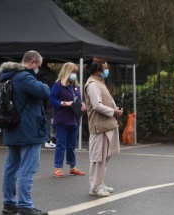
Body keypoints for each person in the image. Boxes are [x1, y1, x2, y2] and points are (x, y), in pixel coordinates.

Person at [1, 51, 50, 215]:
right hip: (28, 130)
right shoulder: (24, 77)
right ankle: (25, 205)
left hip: (12, 127)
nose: (39, 69)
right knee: (27, 168)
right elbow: (45, 92)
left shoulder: (8, 76)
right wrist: (45, 85)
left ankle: (9, 203)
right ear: (32, 62)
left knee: (11, 167)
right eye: (39, 65)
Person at [84, 56, 123, 197]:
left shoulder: (99, 82)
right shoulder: (93, 84)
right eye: (105, 68)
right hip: (99, 126)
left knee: (105, 156)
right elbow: (97, 105)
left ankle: (99, 183)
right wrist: (113, 111)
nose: (107, 70)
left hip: (106, 125)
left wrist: (115, 110)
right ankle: (95, 187)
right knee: (98, 158)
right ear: (98, 70)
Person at [49, 62, 86, 178]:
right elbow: (52, 100)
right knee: (61, 144)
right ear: (67, 72)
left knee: (71, 145)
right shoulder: (58, 85)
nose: (74, 74)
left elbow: (77, 100)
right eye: (72, 72)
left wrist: (82, 105)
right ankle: (58, 167)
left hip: (74, 120)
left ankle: (72, 167)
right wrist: (64, 103)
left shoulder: (75, 86)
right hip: (62, 120)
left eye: (75, 72)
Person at [37, 60, 57, 148]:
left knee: (38, 116)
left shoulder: (36, 75)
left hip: (39, 98)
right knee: (49, 117)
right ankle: (48, 138)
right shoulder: (52, 75)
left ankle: (41, 136)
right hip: (50, 97)